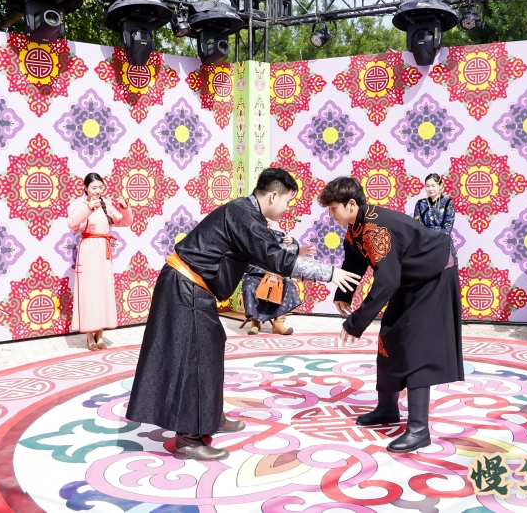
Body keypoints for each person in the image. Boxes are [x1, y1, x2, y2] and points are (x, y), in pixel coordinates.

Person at [126, 168, 362, 461]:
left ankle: (210, 416)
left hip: (191, 287)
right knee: (195, 357)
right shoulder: (244, 214)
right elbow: (272, 257)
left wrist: (294, 250)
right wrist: (330, 273)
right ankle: (188, 438)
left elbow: (263, 249)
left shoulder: (246, 214)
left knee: (211, 347)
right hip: (185, 287)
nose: (287, 208)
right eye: (287, 202)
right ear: (273, 196)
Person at [323, 176, 463, 454]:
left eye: (334, 208)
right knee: (390, 337)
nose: (331, 215)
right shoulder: (356, 225)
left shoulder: (376, 228)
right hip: (408, 279)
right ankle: (387, 408)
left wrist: (356, 322)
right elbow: (354, 259)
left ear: (351, 204)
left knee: (416, 347)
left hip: (434, 275)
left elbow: (386, 282)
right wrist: (343, 295)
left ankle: (419, 430)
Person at [68, 173, 133, 350]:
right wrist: (89, 208)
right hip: (88, 251)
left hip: (104, 252)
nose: (98, 191)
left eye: (100, 187)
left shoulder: (107, 206)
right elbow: (72, 224)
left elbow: (125, 222)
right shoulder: (82, 207)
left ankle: (100, 335)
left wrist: (125, 208)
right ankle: (89, 336)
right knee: (89, 292)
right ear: (85, 188)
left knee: (103, 290)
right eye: (94, 187)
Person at [240, 220, 316, 335]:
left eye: (269, 219)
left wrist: (293, 242)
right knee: (249, 285)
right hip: (255, 274)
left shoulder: (279, 235)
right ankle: (255, 322)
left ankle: (278, 323)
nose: (267, 221)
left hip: (275, 275)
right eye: (264, 218)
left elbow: (290, 251)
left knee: (288, 284)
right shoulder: (250, 234)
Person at [412, 173, 458, 265]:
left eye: (433, 186)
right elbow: (417, 225)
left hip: (442, 242)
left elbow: (448, 227)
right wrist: (426, 240)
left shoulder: (448, 202)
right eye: (427, 186)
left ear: (440, 186)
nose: (430, 189)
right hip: (424, 243)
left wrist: (435, 240)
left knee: (445, 269)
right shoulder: (420, 203)